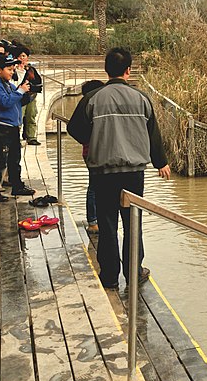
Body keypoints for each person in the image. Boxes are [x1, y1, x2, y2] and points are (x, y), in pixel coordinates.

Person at [68, 48, 171, 290]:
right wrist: (161, 162)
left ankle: (110, 277)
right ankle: (134, 273)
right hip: (134, 173)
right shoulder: (141, 98)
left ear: (106, 70)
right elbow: (153, 134)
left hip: (103, 173)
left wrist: (94, 138)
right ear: (128, 70)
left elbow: (75, 129)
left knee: (107, 224)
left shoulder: (93, 98)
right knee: (133, 223)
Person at [0, 53, 36, 202]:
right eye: (9, 69)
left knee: (14, 159)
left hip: (12, 127)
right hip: (1, 128)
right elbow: (5, 102)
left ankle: (17, 185)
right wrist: (20, 91)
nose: (12, 72)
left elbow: (16, 101)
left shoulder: (8, 84)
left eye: (13, 69)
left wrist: (27, 93)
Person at [79, 79, 105, 234]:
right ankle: (93, 221)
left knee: (96, 186)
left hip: (92, 152)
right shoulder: (91, 108)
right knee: (95, 187)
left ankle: (96, 220)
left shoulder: (88, 107)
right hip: (93, 152)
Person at [11, 45, 42, 146]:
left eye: (24, 56)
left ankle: (31, 137)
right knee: (19, 117)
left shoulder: (31, 70)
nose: (22, 58)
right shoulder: (13, 70)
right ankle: (17, 138)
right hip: (18, 96)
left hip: (30, 96)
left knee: (31, 115)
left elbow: (38, 82)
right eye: (19, 56)